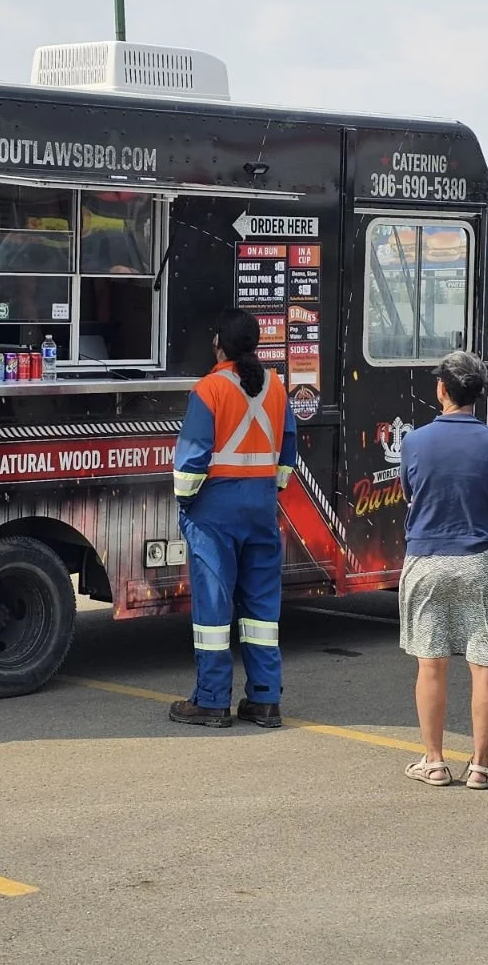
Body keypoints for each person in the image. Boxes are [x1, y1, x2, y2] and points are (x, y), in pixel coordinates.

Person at [168, 309, 297, 729]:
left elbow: (191, 462)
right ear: (256, 344)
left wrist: (186, 505)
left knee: (214, 607)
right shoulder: (276, 387)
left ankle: (211, 700)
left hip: (215, 512)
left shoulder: (208, 390)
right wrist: (266, 492)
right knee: (262, 609)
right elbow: (288, 453)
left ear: (219, 342)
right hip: (260, 508)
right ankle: (264, 700)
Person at [398, 351, 488, 789]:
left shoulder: (414, 441)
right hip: (481, 559)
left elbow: (411, 490)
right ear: (479, 394)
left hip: (427, 558)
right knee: (485, 665)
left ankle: (433, 761)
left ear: (441, 389)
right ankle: (481, 765)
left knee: (432, 664)